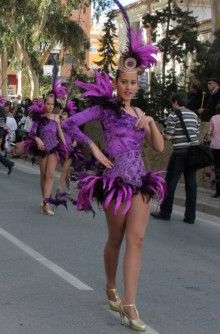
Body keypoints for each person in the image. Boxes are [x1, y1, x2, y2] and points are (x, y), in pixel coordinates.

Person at [63, 18, 164, 330]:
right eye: (124, 81)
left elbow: (158, 148)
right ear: (116, 82)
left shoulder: (139, 114)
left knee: (138, 238)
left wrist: (149, 121)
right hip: (115, 182)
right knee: (116, 239)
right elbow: (70, 124)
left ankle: (130, 305)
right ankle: (110, 286)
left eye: (134, 82)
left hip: (140, 181)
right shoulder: (105, 110)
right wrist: (93, 148)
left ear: (138, 84)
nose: (129, 87)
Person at [151, 92, 199, 224]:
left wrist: (161, 133)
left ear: (176, 102)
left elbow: (168, 136)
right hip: (193, 153)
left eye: (172, 103)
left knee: (170, 183)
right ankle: (190, 217)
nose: (172, 105)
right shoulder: (194, 115)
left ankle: (165, 212)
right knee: (191, 184)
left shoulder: (173, 115)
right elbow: (196, 132)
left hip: (179, 153)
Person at [24, 95, 66, 215]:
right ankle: (45, 201)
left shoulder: (56, 117)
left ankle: (46, 204)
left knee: (50, 175)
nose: (50, 106)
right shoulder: (39, 117)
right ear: (44, 104)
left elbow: (60, 132)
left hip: (54, 148)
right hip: (42, 149)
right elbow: (31, 133)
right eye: (48, 104)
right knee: (43, 175)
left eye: (52, 104)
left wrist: (65, 145)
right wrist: (37, 139)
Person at [208, 104, 220, 197]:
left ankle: (218, 191)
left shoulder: (214, 118)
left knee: (217, 168)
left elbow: (210, 132)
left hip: (216, 145)